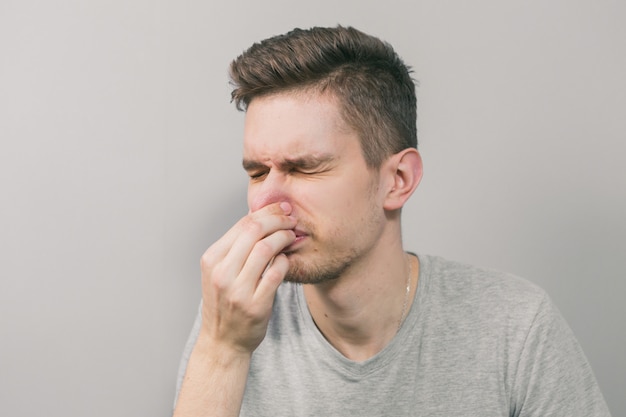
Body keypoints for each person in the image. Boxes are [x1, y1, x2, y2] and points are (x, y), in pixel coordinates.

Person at [173, 26, 611, 417]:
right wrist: (222, 349)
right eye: (256, 173)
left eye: (305, 168)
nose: (265, 201)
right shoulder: (232, 316)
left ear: (398, 180)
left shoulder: (515, 327)